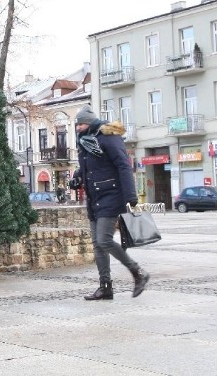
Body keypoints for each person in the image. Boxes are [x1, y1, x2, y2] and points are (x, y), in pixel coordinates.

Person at [75, 104, 150, 300]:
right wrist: (77, 177)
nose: (77, 128)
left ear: (90, 123)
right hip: (94, 198)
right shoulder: (85, 142)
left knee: (104, 240)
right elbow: (90, 168)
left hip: (111, 196)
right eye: (76, 124)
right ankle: (105, 287)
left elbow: (123, 166)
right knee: (98, 244)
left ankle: (138, 272)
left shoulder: (108, 137)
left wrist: (130, 196)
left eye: (81, 124)